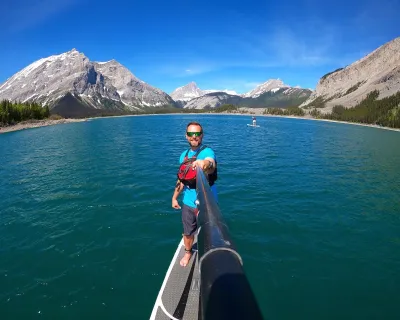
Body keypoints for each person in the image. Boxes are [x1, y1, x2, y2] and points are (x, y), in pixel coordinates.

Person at [171, 122, 217, 267]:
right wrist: (174, 197)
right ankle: (188, 252)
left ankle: (210, 254)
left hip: (207, 202)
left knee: (210, 232)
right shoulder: (183, 156)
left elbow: (211, 164)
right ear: (186, 136)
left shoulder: (207, 151)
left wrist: (204, 164)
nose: (194, 137)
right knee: (188, 232)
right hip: (188, 201)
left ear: (202, 135)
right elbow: (181, 179)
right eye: (191, 134)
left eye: (197, 134)